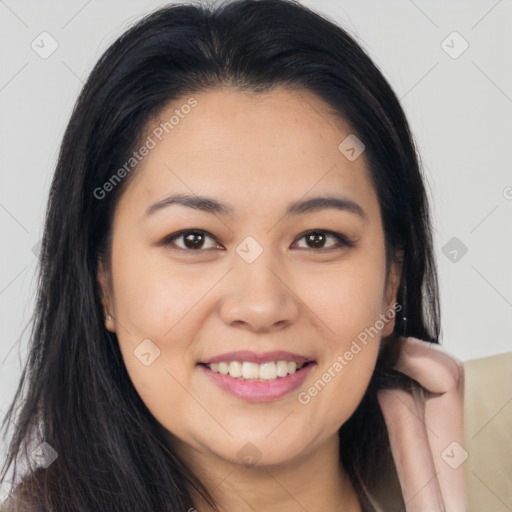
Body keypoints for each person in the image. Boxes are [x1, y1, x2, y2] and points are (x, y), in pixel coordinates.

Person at [1, 1, 508, 510]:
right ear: (103, 283)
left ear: (391, 282)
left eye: (317, 239)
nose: (262, 306)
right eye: (193, 239)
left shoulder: (493, 443)